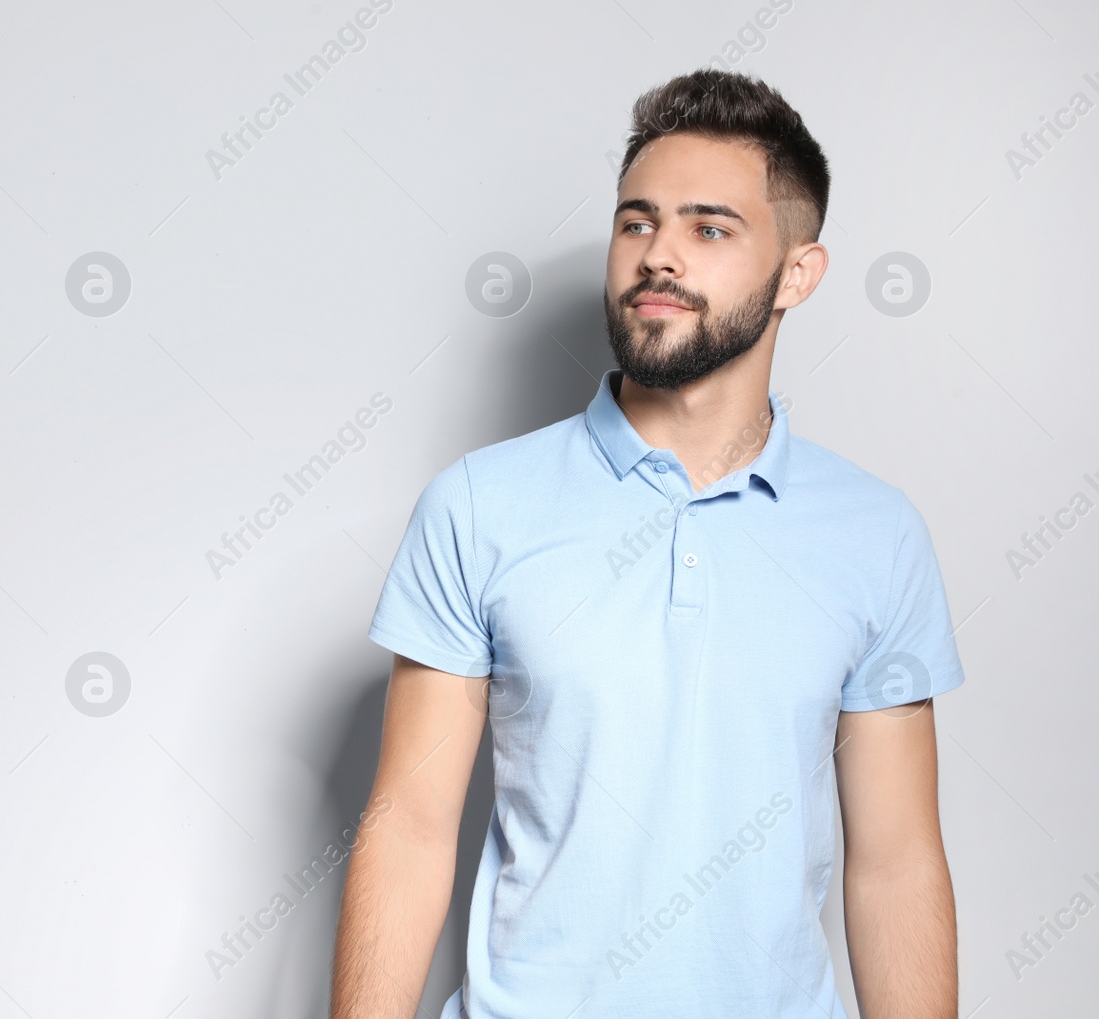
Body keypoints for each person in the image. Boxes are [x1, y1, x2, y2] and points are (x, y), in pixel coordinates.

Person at [330, 68, 963, 1018]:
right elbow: (411, 828)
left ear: (799, 272)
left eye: (710, 228)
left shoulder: (877, 533)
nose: (657, 255)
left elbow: (897, 861)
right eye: (637, 222)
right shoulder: (477, 505)